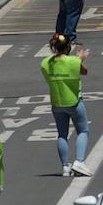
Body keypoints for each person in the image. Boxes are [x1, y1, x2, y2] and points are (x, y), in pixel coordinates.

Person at [40, 34, 90, 178]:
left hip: (57, 102)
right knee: (83, 131)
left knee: (62, 134)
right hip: (74, 101)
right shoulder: (74, 61)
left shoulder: (45, 63)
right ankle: (79, 161)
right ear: (68, 47)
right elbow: (84, 72)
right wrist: (80, 58)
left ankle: (65, 166)